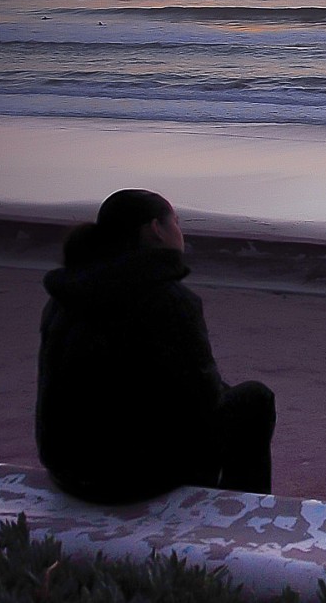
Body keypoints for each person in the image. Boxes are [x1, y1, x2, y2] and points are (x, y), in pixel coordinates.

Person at [35, 189, 275, 503]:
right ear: (156, 230)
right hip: (132, 477)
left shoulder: (64, 295)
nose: (181, 232)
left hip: (67, 467)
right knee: (255, 399)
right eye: (176, 222)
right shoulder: (169, 300)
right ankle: (241, 510)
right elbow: (204, 403)